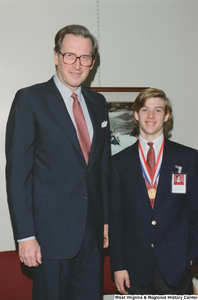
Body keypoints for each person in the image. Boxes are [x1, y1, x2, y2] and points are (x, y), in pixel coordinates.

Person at [6, 24, 110, 300]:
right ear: (56, 56)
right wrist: (25, 236)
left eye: (85, 57)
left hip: (92, 235)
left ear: (93, 62)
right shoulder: (30, 99)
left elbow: (102, 170)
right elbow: (18, 174)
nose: (77, 64)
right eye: (70, 56)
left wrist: (108, 221)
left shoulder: (98, 103)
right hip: (49, 238)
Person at [108, 88, 198, 295]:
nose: (151, 116)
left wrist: (192, 256)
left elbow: (196, 213)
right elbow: (116, 221)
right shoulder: (118, 163)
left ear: (167, 116)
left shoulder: (188, 158)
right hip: (133, 269)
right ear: (136, 115)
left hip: (177, 267)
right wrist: (118, 266)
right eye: (145, 110)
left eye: (158, 110)